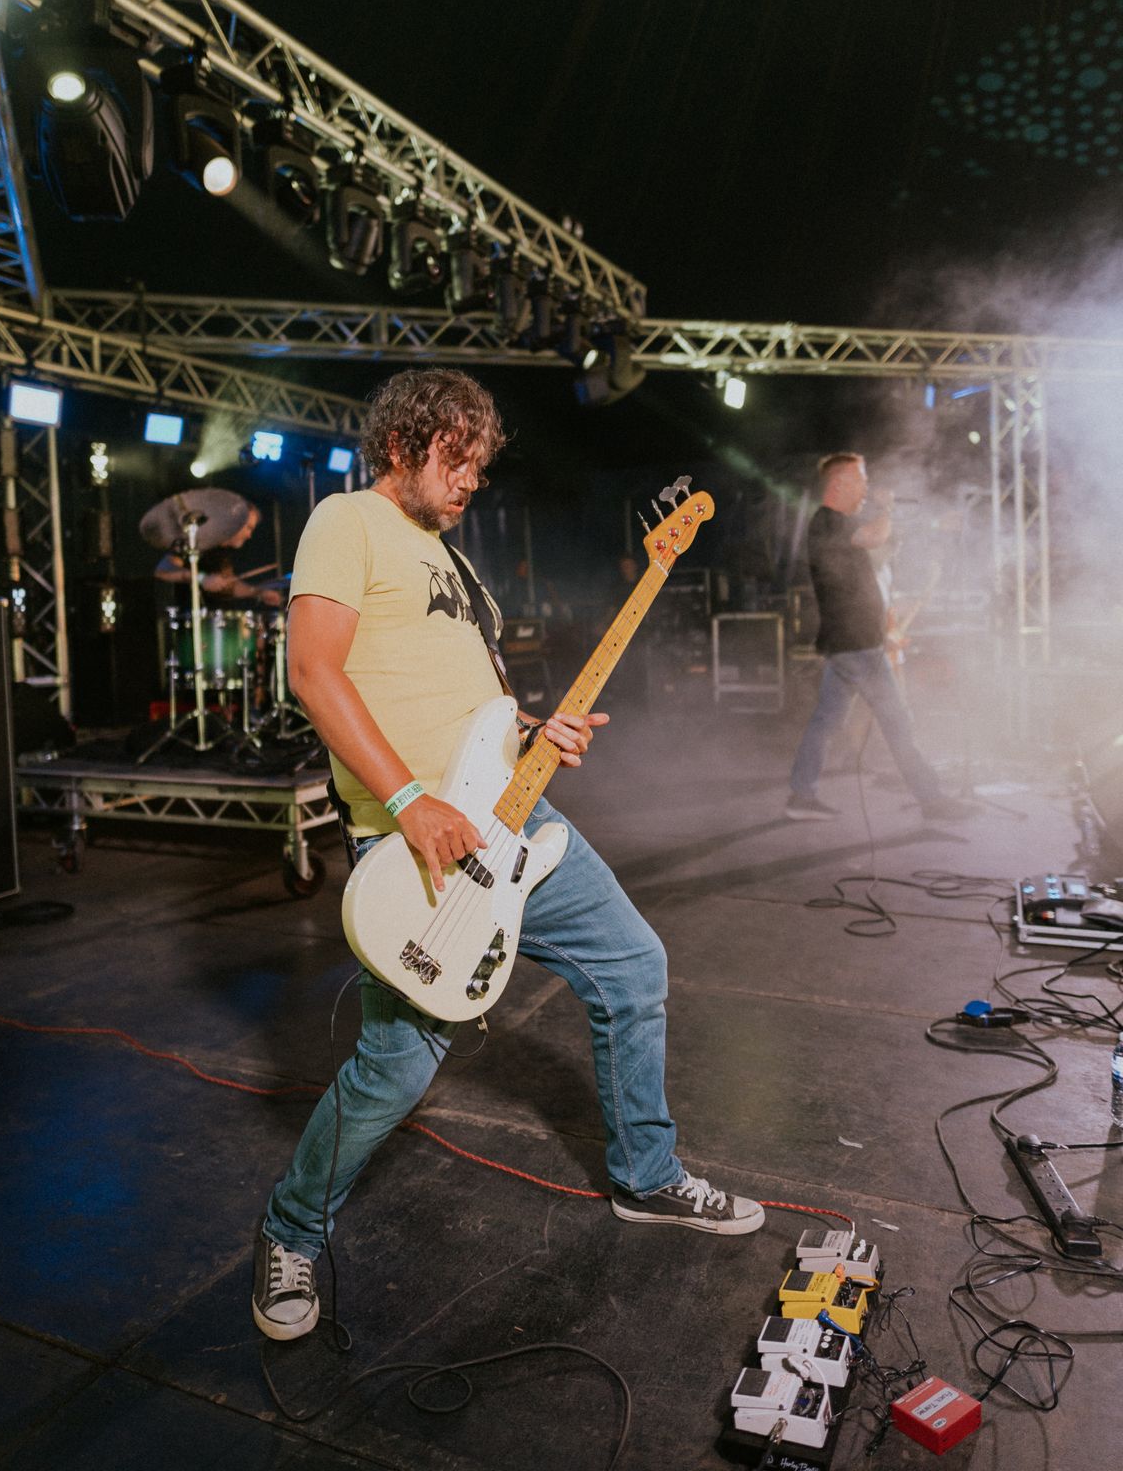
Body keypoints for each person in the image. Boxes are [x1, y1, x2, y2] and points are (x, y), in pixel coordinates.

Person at [253, 367, 763, 1344]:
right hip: (416, 840)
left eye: (480, 468)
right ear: (401, 445)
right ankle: (289, 1230)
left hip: (513, 818)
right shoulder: (346, 521)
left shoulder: (455, 563)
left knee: (632, 964)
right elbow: (313, 672)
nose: (469, 482)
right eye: (455, 461)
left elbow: (470, 702)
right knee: (396, 1070)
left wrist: (536, 729)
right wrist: (408, 801)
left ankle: (646, 1177)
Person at [785, 453, 971, 822]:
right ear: (839, 484)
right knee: (898, 723)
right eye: (861, 480)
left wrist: (934, 525)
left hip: (851, 644)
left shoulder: (840, 523)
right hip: (856, 646)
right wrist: (888, 508)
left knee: (826, 722)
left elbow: (886, 541)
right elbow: (875, 535)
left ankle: (801, 796)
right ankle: (932, 800)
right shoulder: (827, 521)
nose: (867, 488)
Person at [154, 499, 283, 606]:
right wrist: (202, 578)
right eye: (249, 528)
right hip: (187, 619)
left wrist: (258, 593)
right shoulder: (200, 541)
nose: (249, 535)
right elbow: (163, 569)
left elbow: (228, 586)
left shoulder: (223, 551)